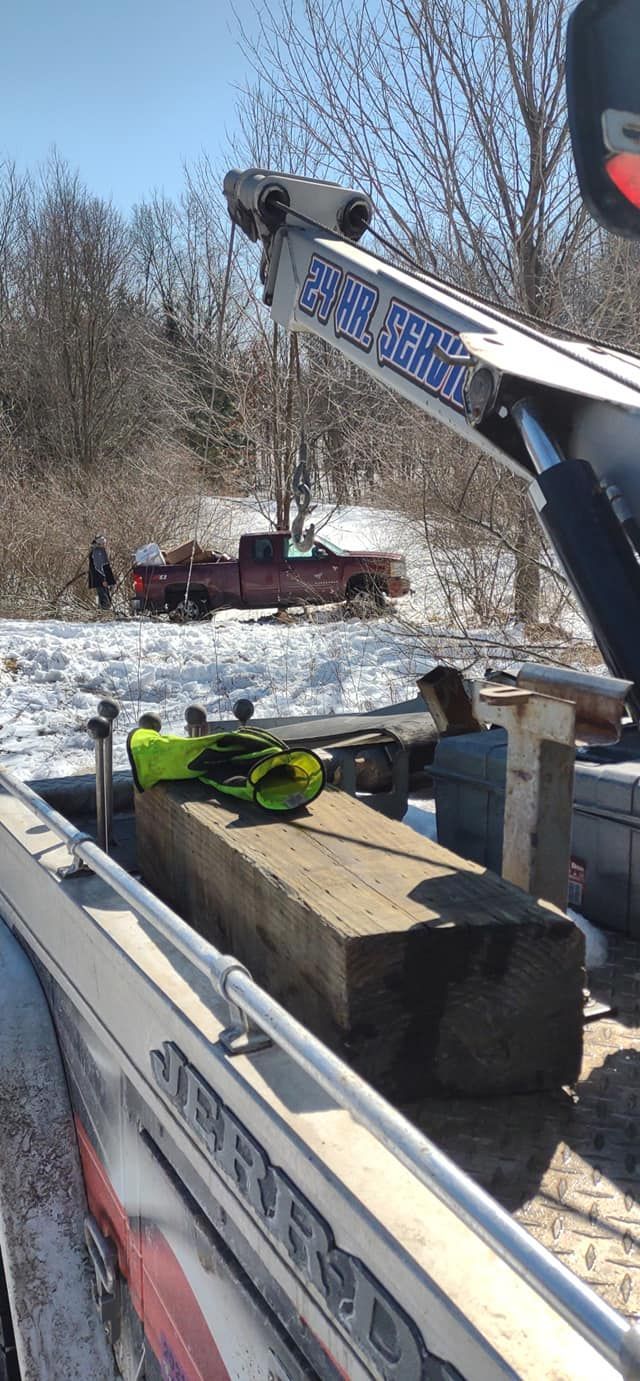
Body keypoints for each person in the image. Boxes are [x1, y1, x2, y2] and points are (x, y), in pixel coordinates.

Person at [88, 535, 116, 611]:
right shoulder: (97, 551)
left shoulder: (99, 550)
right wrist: (103, 579)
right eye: (103, 543)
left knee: (104, 598)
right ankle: (103, 614)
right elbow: (98, 566)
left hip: (101, 579)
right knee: (105, 600)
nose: (105, 544)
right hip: (100, 579)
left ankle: (102, 612)